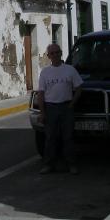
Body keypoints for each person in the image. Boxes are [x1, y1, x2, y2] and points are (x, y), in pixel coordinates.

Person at [38, 43, 83, 175]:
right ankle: (48, 165)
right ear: (48, 56)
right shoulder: (45, 72)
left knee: (68, 137)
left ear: (61, 53)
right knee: (50, 138)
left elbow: (79, 88)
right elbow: (41, 93)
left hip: (66, 107)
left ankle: (71, 164)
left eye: (57, 52)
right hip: (50, 107)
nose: (55, 55)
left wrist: (72, 104)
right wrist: (42, 112)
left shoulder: (70, 70)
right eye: (52, 53)